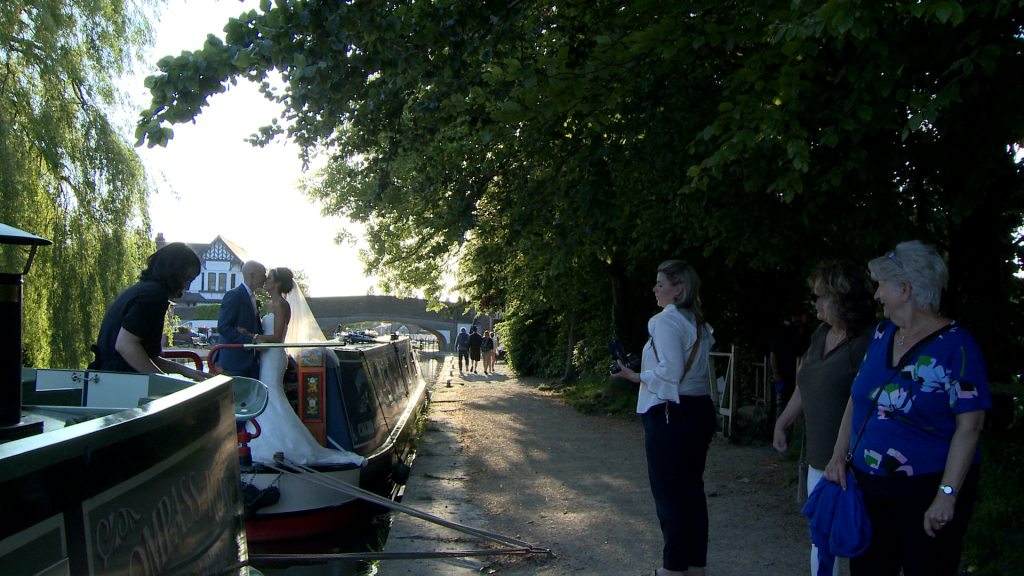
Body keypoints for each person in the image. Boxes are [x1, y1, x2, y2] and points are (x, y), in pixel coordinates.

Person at [824, 241, 992, 576]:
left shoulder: (958, 346)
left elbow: (970, 427)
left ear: (905, 289)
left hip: (925, 493)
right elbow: (859, 398)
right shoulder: (882, 334)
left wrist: (947, 495)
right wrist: (838, 455)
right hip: (870, 490)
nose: (876, 295)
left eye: (881, 286)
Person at [611, 260, 717, 576]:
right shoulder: (697, 321)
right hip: (699, 410)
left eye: (660, 283)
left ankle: (673, 568)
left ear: (678, 288)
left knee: (669, 492)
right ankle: (695, 563)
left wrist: (634, 376)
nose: (654, 289)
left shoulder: (665, 321)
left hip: (672, 413)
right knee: (691, 490)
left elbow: (669, 372)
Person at [773, 260, 876, 576]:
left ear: (841, 297)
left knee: (858, 541)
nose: (813, 303)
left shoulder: (871, 341)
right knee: (820, 540)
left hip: (855, 465)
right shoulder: (820, 334)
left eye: (820, 296)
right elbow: (807, 383)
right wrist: (782, 421)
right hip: (818, 459)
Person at [237, 267, 365, 466]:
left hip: (274, 357)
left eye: (269, 278)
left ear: (277, 283)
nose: (265, 281)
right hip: (266, 356)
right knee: (268, 396)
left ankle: (279, 446)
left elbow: (278, 338)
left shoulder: (281, 305)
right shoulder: (270, 304)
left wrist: (250, 336)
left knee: (271, 395)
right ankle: (268, 441)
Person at [90, 242, 208, 380]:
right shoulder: (153, 295)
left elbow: (141, 356)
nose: (187, 287)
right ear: (173, 272)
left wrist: (185, 371)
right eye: (187, 278)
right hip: (121, 379)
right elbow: (125, 345)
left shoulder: (142, 290)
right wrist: (162, 381)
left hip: (108, 377)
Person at [217, 260, 266, 377]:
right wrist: (251, 340)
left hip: (251, 362)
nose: (266, 278)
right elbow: (223, 327)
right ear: (253, 275)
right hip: (234, 361)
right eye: (263, 274)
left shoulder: (253, 297)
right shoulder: (234, 295)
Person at [771, 309, 812, 421]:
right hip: (785, 376)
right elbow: (773, 353)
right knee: (782, 405)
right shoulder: (784, 332)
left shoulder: (810, 334)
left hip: (803, 377)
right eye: (795, 316)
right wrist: (776, 374)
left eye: (800, 315)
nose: (797, 319)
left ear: (805, 316)